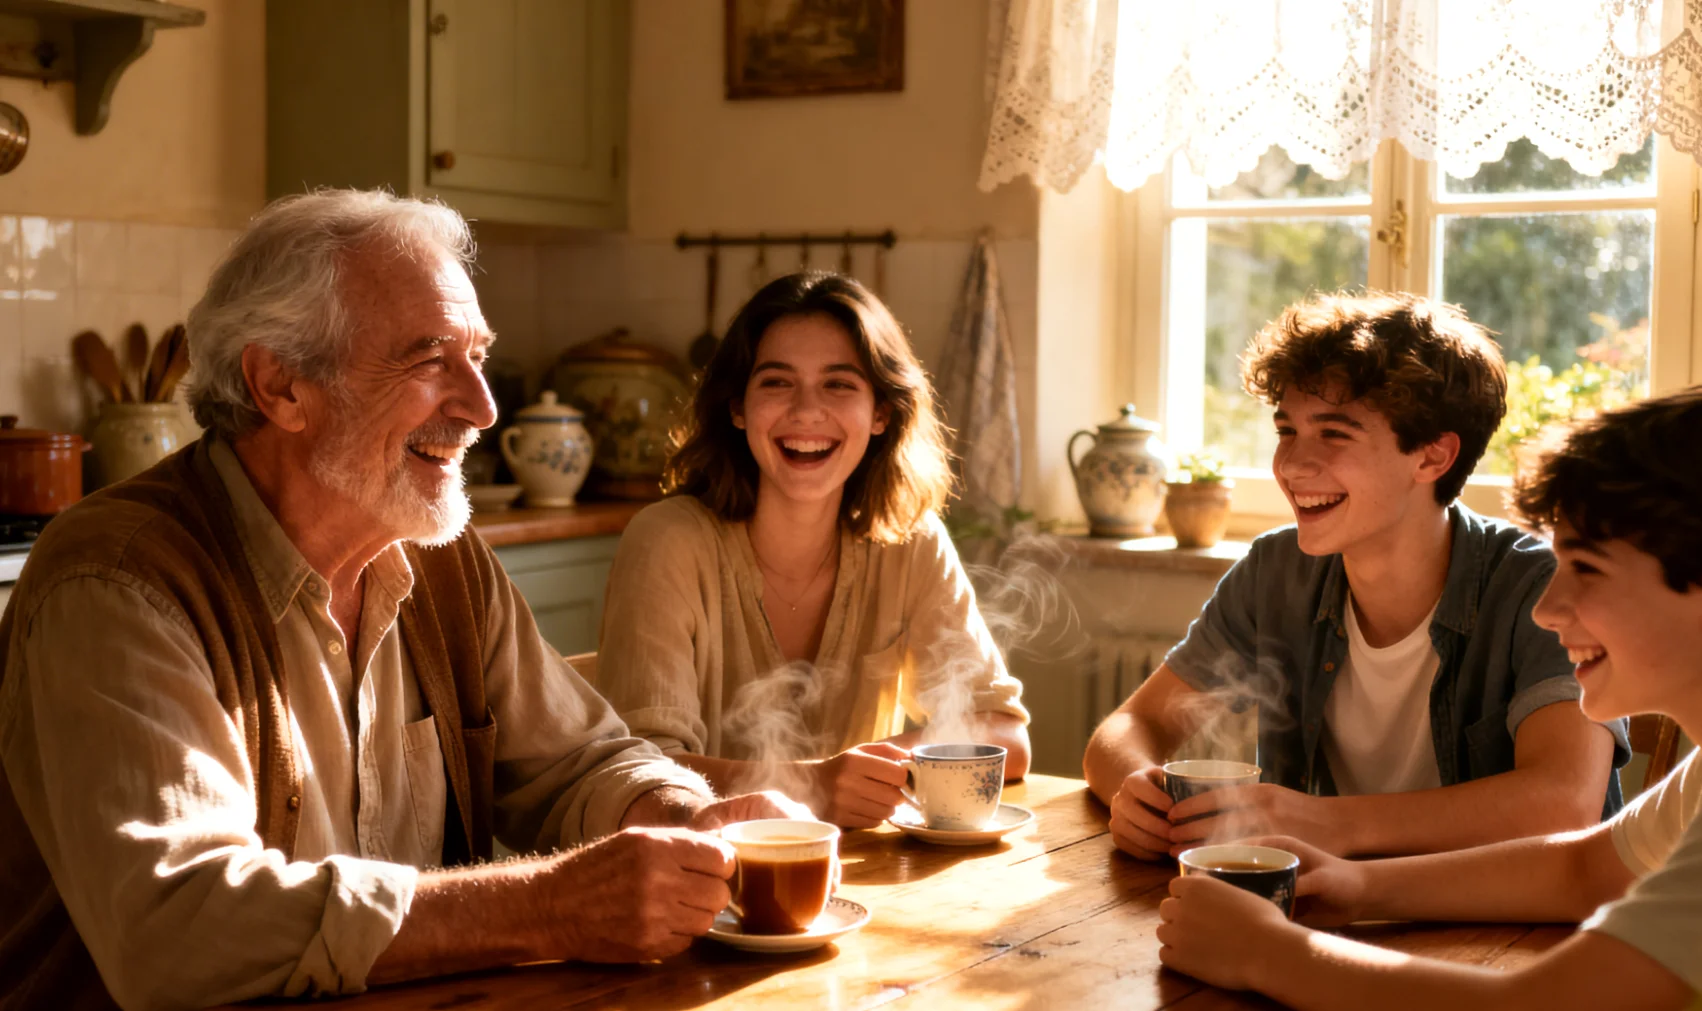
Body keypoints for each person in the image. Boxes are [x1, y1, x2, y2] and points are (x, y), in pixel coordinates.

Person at [0, 191, 804, 1011]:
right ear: (280, 384)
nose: (482, 408)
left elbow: (578, 764)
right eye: (429, 361)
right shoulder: (118, 582)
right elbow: (179, 924)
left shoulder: (445, 561)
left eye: (478, 357)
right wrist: (547, 906)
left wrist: (680, 815)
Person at [1158, 384, 1702, 1010]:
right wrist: (1353, 885)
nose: (1548, 610)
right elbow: (1586, 871)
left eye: (1589, 570)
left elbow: (1541, 1002)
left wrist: (1267, 953)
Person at [1084, 292, 1627, 861]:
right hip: (1333, 911)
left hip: (1514, 933)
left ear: (1432, 457)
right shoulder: (1276, 572)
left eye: (1334, 434)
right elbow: (1131, 726)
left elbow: (1563, 802)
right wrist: (1137, 788)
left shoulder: (1541, 588)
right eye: (1286, 430)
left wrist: (1323, 823)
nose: (1291, 466)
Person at [592, 272, 1031, 829]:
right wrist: (816, 783)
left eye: (839, 384)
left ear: (881, 413)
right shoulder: (667, 541)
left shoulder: (911, 540)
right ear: (738, 407)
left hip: (862, 876)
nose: (806, 412)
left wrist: (864, 772)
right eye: (777, 382)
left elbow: (1004, 733)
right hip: (699, 879)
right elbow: (637, 777)